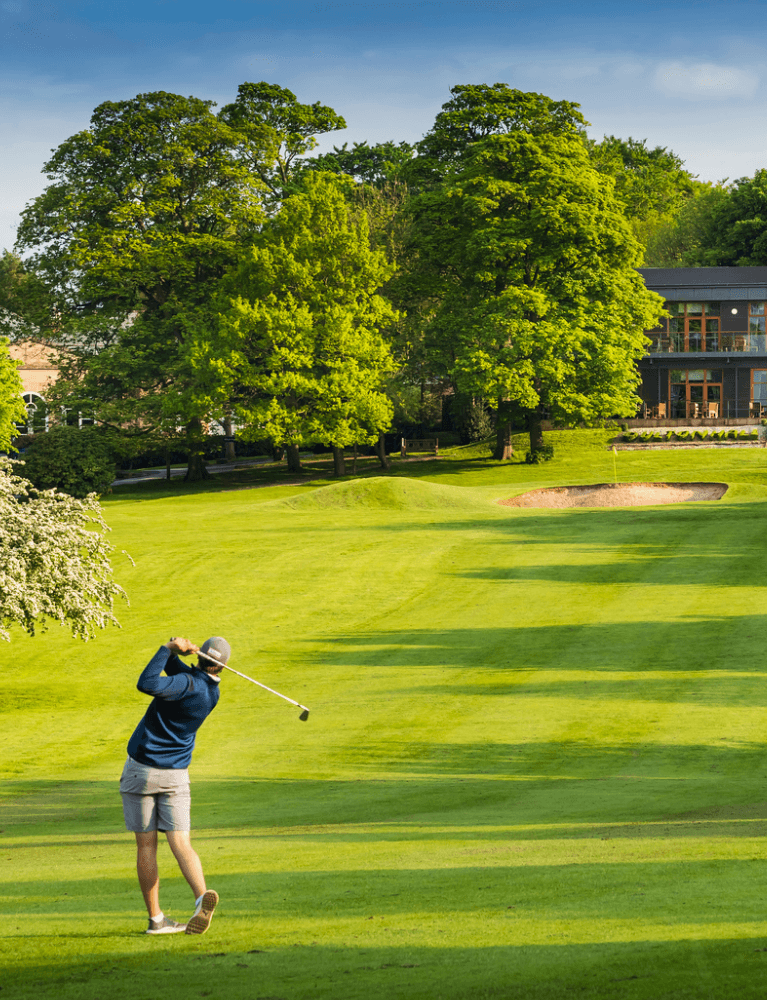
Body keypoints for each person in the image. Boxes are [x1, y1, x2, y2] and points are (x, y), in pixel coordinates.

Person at [120, 635, 230, 935]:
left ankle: (156, 919)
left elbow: (147, 683)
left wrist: (166, 649)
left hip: (142, 772)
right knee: (181, 842)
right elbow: (184, 675)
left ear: (201, 658)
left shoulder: (185, 685)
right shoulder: (209, 692)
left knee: (146, 845)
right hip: (177, 777)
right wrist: (177, 653)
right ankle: (200, 898)